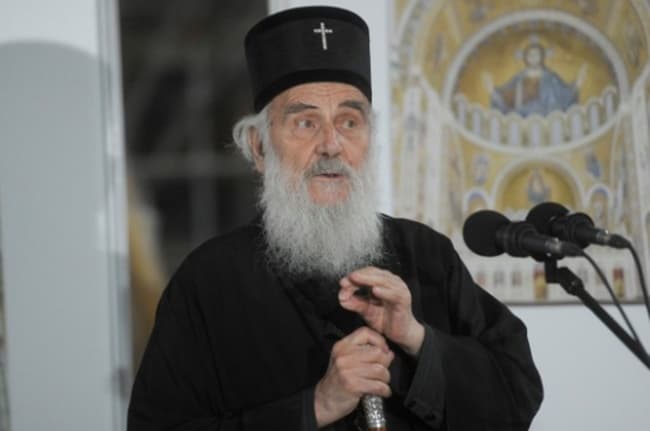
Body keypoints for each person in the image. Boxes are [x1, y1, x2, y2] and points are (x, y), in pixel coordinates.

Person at [128, 6, 543, 430]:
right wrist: (315, 407)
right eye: (305, 123)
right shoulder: (210, 280)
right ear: (259, 147)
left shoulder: (427, 255)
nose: (331, 145)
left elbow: (515, 401)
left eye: (349, 121)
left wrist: (416, 338)